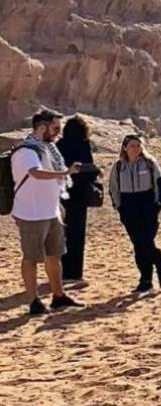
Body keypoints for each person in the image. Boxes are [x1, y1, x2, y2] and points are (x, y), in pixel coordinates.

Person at [10, 109, 81, 316]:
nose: (58, 132)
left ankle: (58, 296)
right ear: (42, 126)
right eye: (55, 127)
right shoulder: (27, 150)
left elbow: (51, 181)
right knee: (31, 257)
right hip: (31, 213)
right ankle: (33, 300)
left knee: (54, 255)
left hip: (50, 212)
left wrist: (58, 204)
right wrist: (65, 172)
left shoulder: (48, 148)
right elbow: (35, 173)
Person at [109, 134, 161, 293]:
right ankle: (145, 280)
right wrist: (120, 208)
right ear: (125, 148)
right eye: (132, 146)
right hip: (129, 209)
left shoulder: (149, 163)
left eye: (138, 145)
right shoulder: (118, 167)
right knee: (138, 245)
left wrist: (157, 206)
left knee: (147, 243)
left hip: (148, 207)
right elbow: (114, 189)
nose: (135, 149)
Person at [56, 114, 99, 288]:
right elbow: (87, 168)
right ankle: (73, 274)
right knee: (76, 235)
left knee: (61, 233)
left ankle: (60, 271)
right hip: (79, 194)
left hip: (61, 193)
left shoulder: (59, 145)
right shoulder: (83, 144)